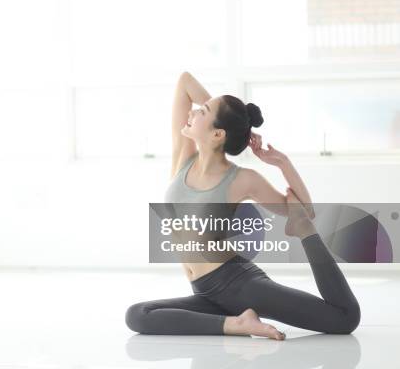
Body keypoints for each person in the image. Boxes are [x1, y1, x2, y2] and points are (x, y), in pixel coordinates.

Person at [125, 72, 361, 340]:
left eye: (201, 111)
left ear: (217, 133)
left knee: (345, 318)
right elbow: (185, 82)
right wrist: (236, 123)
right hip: (203, 291)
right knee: (137, 315)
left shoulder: (241, 179)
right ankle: (236, 324)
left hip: (238, 285)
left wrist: (282, 163)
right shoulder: (184, 158)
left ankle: (302, 237)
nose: (192, 113)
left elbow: (303, 210)